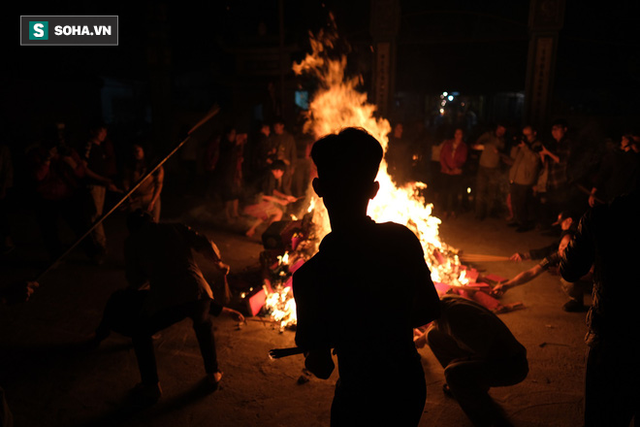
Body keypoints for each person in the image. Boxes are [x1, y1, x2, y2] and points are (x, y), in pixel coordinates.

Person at [293, 127, 441, 427]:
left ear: (318, 187)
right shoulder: (402, 239)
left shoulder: (310, 277)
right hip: (407, 385)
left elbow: (321, 367)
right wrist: (387, 321)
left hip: (359, 395)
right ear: (374, 190)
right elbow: (429, 307)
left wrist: (340, 335)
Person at [91, 210, 244, 403]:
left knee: (140, 333)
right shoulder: (175, 227)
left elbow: (135, 279)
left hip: (169, 297)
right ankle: (213, 373)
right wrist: (218, 263)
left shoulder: (132, 241)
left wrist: (152, 275)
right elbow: (206, 244)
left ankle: (151, 385)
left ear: (131, 229)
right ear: (152, 220)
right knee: (202, 323)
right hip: (199, 290)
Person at [560, 184, 640, 426]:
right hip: (613, 333)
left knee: (604, 417)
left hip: (612, 335)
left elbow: (569, 269)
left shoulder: (603, 216)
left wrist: (573, 243)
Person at [414, 295, 528, 427]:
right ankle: (470, 387)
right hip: (492, 353)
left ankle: (491, 420)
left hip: (511, 365)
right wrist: (421, 340)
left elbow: (493, 353)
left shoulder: (457, 319)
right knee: (432, 335)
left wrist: (460, 362)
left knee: (453, 373)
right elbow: (435, 324)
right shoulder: (445, 304)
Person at [493, 232, 592, 312]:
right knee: (568, 281)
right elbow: (532, 272)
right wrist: (506, 285)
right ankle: (577, 301)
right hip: (582, 279)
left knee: (569, 279)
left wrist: (563, 271)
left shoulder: (584, 255)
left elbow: (593, 275)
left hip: (598, 282)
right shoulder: (556, 256)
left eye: (568, 246)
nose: (563, 249)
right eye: (561, 245)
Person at [82, 123, 120, 258]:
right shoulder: (89, 146)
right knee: (95, 216)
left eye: (105, 132)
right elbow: (84, 168)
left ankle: (98, 243)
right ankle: (100, 245)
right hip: (93, 185)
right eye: (101, 131)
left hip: (101, 185)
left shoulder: (100, 147)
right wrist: (101, 179)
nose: (104, 134)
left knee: (98, 214)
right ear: (93, 131)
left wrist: (106, 181)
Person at [242, 160, 296, 238]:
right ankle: (268, 236)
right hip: (251, 201)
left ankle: (250, 230)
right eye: (282, 173)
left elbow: (270, 190)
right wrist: (280, 202)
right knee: (278, 212)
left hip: (250, 199)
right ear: (278, 170)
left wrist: (285, 197)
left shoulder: (267, 172)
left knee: (268, 210)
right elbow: (264, 196)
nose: (281, 175)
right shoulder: (269, 176)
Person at [507, 125, 542, 232]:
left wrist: (525, 147)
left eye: (528, 135)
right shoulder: (523, 145)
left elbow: (535, 160)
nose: (526, 137)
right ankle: (517, 220)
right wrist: (515, 145)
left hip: (526, 179)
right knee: (515, 202)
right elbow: (513, 157)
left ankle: (524, 223)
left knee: (522, 203)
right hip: (516, 177)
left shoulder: (537, 145)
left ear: (534, 133)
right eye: (524, 135)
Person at [472, 123, 506, 220]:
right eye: (500, 129)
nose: (501, 132)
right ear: (497, 127)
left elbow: (503, 152)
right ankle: (479, 214)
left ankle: (489, 213)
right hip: (483, 167)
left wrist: (498, 151)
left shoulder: (503, 140)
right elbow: (476, 144)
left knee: (492, 192)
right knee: (480, 191)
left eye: (503, 131)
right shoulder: (488, 136)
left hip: (494, 169)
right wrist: (478, 146)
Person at [123, 143, 164, 223]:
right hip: (136, 199)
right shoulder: (130, 165)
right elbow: (126, 181)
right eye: (133, 152)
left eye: (137, 151)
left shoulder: (154, 166)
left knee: (153, 225)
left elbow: (159, 184)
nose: (135, 154)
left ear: (144, 151)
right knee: (135, 225)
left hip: (151, 198)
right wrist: (129, 197)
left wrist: (153, 202)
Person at [217, 126, 246, 224]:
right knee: (227, 194)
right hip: (225, 173)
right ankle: (226, 215)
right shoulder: (225, 145)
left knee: (234, 193)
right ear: (227, 135)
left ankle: (234, 214)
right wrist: (236, 143)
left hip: (233, 173)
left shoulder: (232, 146)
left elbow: (237, 155)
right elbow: (226, 155)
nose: (234, 136)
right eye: (232, 133)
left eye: (235, 133)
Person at [439, 128, 468, 219]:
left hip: (456, 173)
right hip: (445, 172)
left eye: (460, 133)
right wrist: (446, 168)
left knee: (454, 192)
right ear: (454, 134)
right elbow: (442, 156)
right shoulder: (448, 144)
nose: (458, 135)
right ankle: (444, 210)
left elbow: (462, 159)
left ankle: (453, 211)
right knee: (445, 192)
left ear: (462, 135)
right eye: (457, 133)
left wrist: (456, 168)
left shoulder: (463, 146)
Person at [271, 118, 297, 195]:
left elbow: (293, 152)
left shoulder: (289, 138)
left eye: (277, 126)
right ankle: (277, 206)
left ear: (282, 126)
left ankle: (289, 206)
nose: (275, 129)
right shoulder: (274, 138)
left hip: (286, 167)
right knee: (276, 187)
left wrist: (293, 167)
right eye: (274, 127)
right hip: (276, 167)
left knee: (285, 187)